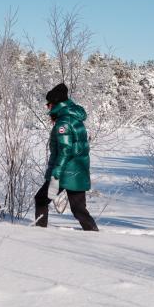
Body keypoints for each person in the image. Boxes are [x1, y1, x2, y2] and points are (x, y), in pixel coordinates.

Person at [35, 83, 98, 231]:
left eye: (48, 104)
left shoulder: (63, 122)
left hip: (65, 172)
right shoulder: (73, 118)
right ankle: (93, 233)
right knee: (79, 209)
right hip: (77, 171)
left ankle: (39, 232)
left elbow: (65, 150)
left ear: (55, 104)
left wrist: (56, 173)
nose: (47, 107)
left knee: (41, 200)